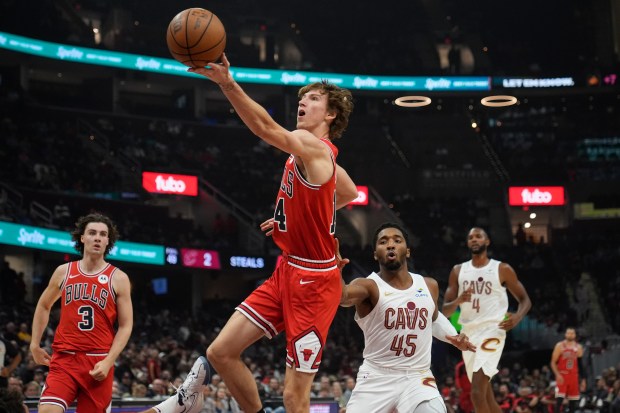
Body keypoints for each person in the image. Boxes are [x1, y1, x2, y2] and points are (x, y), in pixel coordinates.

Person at [140, 54, 358, 413]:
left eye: (314, 98)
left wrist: (227, 84)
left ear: (331, 114)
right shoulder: (313, 154)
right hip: (287, 269)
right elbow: (345, 193)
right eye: (303, 97)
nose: (303, 102)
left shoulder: (313, 148)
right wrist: (297, 218)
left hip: (315, 284)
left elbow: (264, 128)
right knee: (220, 353)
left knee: (293, 397)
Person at [338, 222, 476, 412]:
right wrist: (335, 273)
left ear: (407, 251)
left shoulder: (428, 285)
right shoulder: (368, 285)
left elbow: (433, 319)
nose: (391, 245)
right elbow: (342, 296)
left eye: (397, 240)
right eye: (383, 241)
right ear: (375, 253)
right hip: (377, 377)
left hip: (417, 377)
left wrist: (453, 336)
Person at [30, 212, 134, 413]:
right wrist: (35, 343)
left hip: (98, 362)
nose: (97, 237)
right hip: (64, 359)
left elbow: (125, 325)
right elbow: (43, 305)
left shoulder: (119, 278)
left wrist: (109, 361)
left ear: (108, 241)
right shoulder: (64, 271)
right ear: (82, 237)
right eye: (92, 233)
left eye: (103, 234)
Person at [442, 227, 532, 413]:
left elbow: (525, 300)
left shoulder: (502, 269)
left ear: (487, 241)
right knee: (488, 399)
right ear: (467, 243)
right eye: (471, 237)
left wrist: (517, 317)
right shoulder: (458, 271)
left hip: (493, 330)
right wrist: (458, 300)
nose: (474, 239)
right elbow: (445, 311)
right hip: (467, 334)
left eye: (478, 236)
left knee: (476, 393)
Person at [550, 327, 583, 413]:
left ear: (575, 335)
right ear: (565, 334)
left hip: (574, 376)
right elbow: (553, 362)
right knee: (559, 400)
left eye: (572, 333)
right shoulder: (559, 346)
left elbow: (581, 365)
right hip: (563, 375)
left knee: (573, 402)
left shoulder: (578, 347)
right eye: (568, 333)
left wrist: (583, 379)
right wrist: (557, 374)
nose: (570, 335)